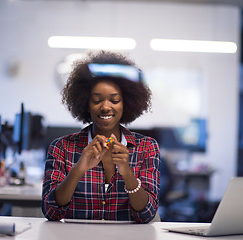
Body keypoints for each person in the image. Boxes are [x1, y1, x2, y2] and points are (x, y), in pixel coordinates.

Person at [42, 51, 161, 223]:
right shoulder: (62, 148)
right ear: (86, 104)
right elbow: (51, 212)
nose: (105, 107)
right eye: (97, 100)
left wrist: (127, 173)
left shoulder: (147, 148)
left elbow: (147, 214)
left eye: (114, 100)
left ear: (126, 103)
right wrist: (78, 169)